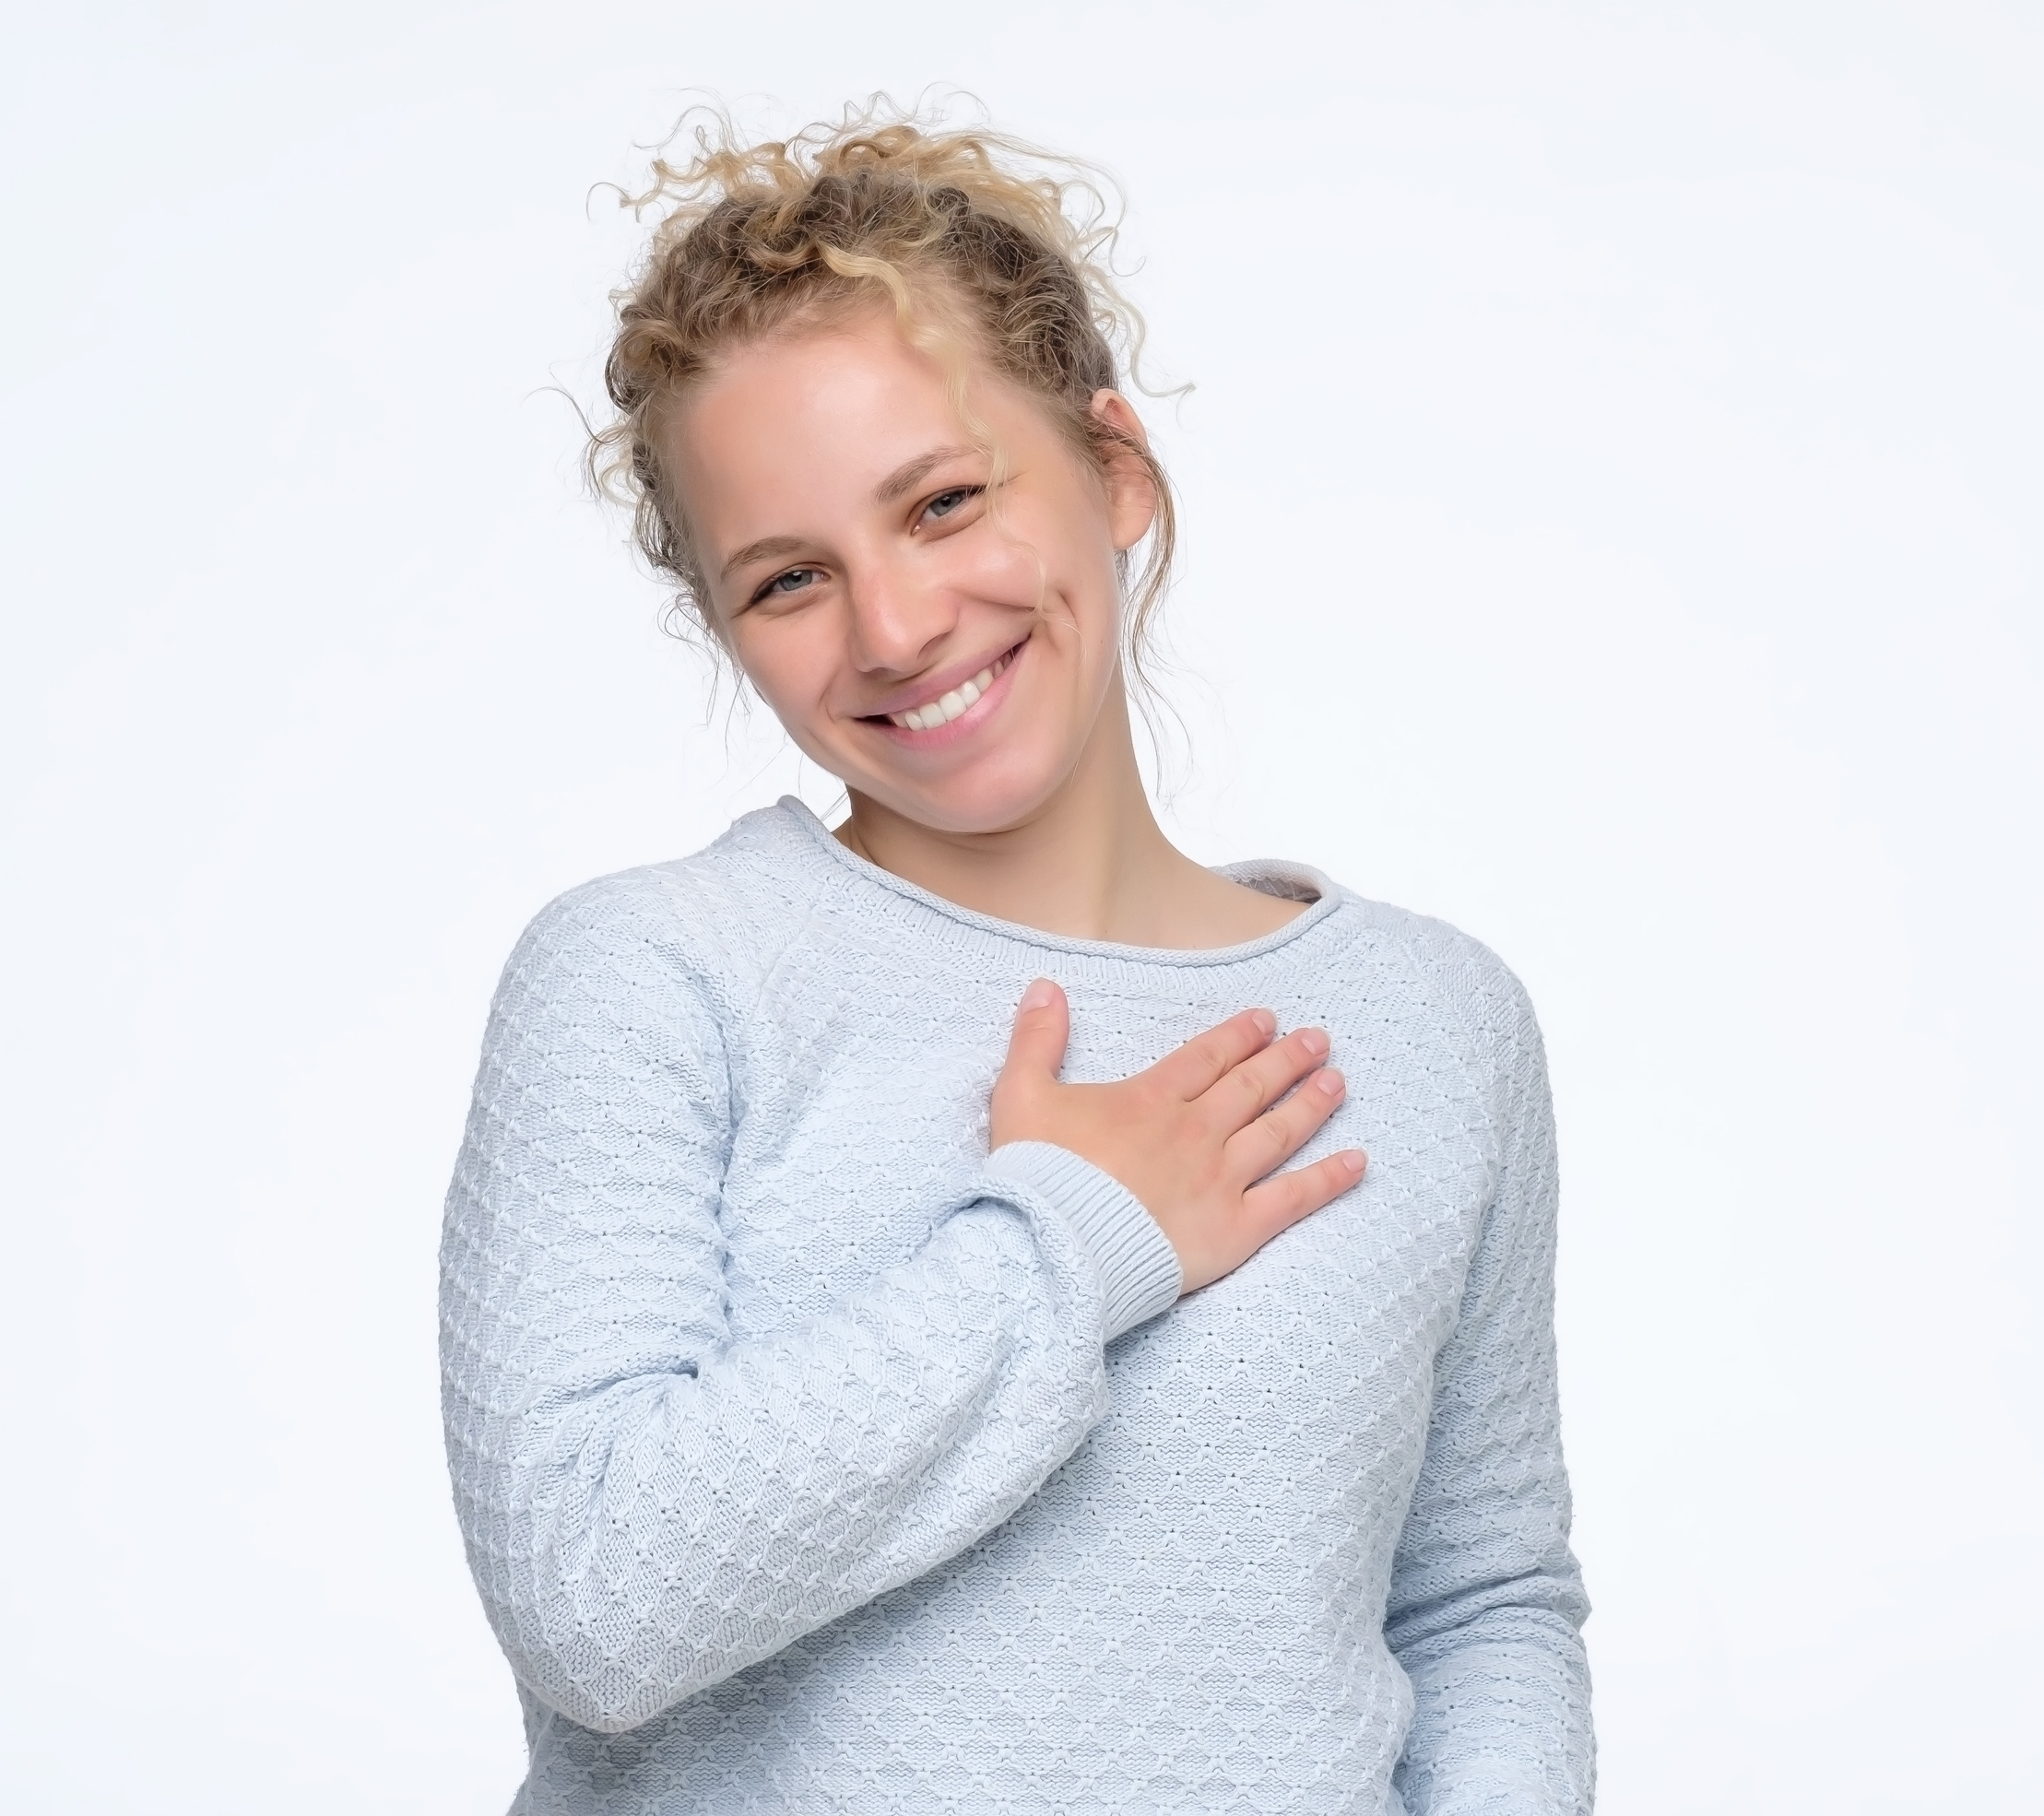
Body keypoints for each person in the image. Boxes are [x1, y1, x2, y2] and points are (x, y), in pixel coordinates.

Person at [440, 109, 1593, 1815]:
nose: (895, 627)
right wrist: (1072, 1236)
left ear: (1114, 471)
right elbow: (592, 1598)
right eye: (789, 579)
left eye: (946, 501)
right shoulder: (651, 977)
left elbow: (1479, 1597)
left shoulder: (1435, 1022)